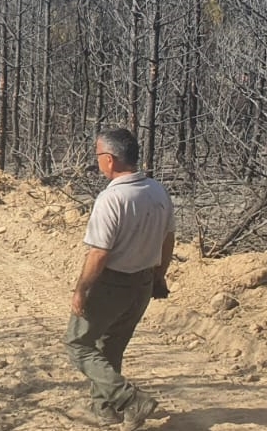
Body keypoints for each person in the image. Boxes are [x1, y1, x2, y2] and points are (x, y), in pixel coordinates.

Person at [65, 128, 174, 430]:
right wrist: (159, 276)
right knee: (110, 347)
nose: (97, 161)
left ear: (110, 159)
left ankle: (130, 400)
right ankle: (106, 410)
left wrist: (81, 288)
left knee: (77, 344)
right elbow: (168, 240)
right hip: (141, 284)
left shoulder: (111, 198)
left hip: (111, 284)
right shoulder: (157, 191)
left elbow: (99, 253)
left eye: (98, 155)